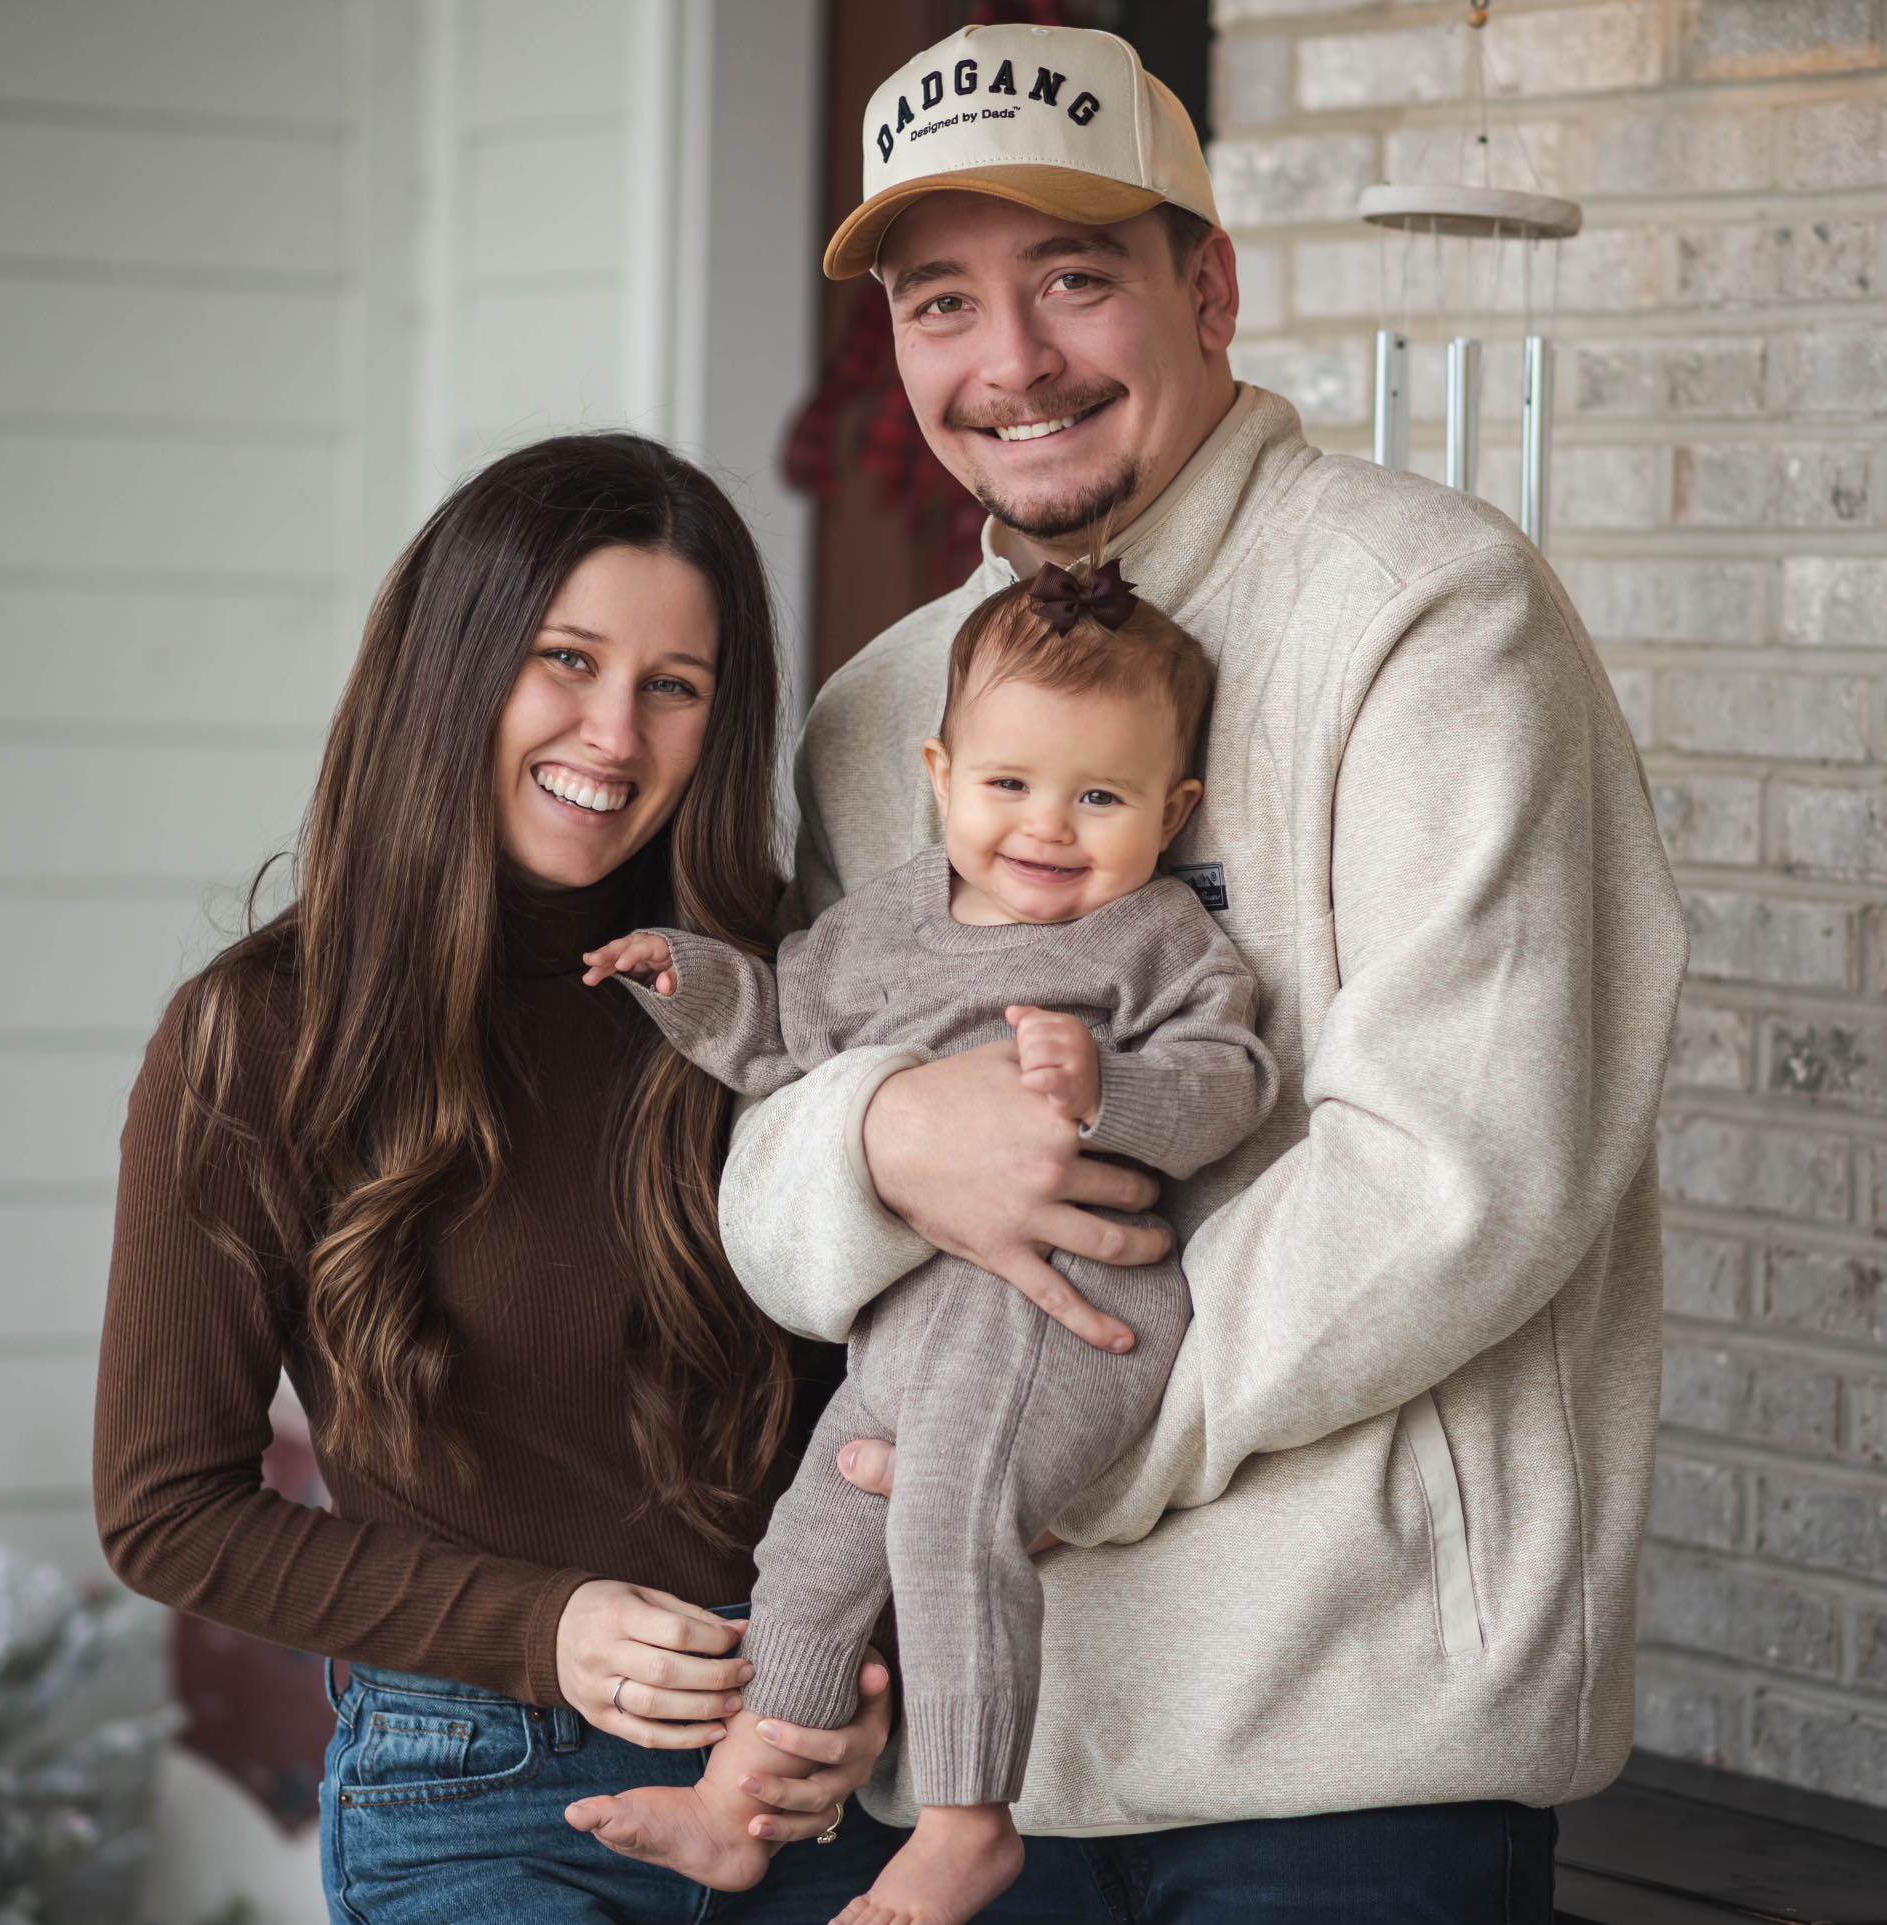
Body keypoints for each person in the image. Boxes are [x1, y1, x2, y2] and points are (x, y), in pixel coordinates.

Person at [713, 21, 1691, 1923]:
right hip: (977, 1764)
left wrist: (1009, 1450)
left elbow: (1454, 1181)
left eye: (1075, 277)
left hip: (1346, 1740)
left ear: (1210, 285)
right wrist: (878, 1139)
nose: (1010, 363)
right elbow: (774, 1158)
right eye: (941, 304)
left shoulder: (1426, 611)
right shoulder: (879, 716)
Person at [93, 434, 907, 1923]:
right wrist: (545, 1628)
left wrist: (866, 1694)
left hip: (807, 1771)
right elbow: (167, 1507)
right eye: (565, 660)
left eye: (674, 685)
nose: (614, 731)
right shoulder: (260, 1033)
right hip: (474, 1781)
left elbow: (898, 1404)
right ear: (454, 665)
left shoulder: (781, 1002)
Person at [568, 561, 1277, 1925]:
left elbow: (1228, 1081)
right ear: (940, 771)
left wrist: (1106, 1089)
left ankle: (964, 1816)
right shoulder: (880, 926)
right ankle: (741, 1799)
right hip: (906, 1326)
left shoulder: (1156, 939)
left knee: (948, 1512)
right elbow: (784, 1042)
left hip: (1067, 1314)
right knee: (814, 1537)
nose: (1047, 829)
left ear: (1172, 811)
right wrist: (689, 979)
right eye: (1008, 784)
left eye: (1102, 798)